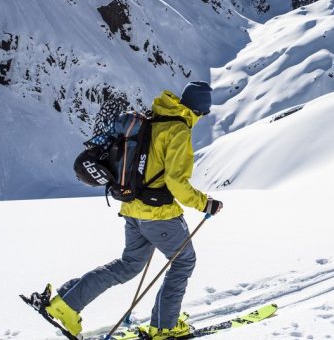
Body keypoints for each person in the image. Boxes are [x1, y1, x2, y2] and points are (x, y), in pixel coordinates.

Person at [41, 81, 223, 340]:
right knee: (183, 262)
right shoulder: (178, 131)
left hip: (132, 209)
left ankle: (66, 303)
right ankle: (164, 327)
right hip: (158, 215)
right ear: (201, 110)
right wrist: (206, 203)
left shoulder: (154, 118)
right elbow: (176, 183)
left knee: (128, 265)